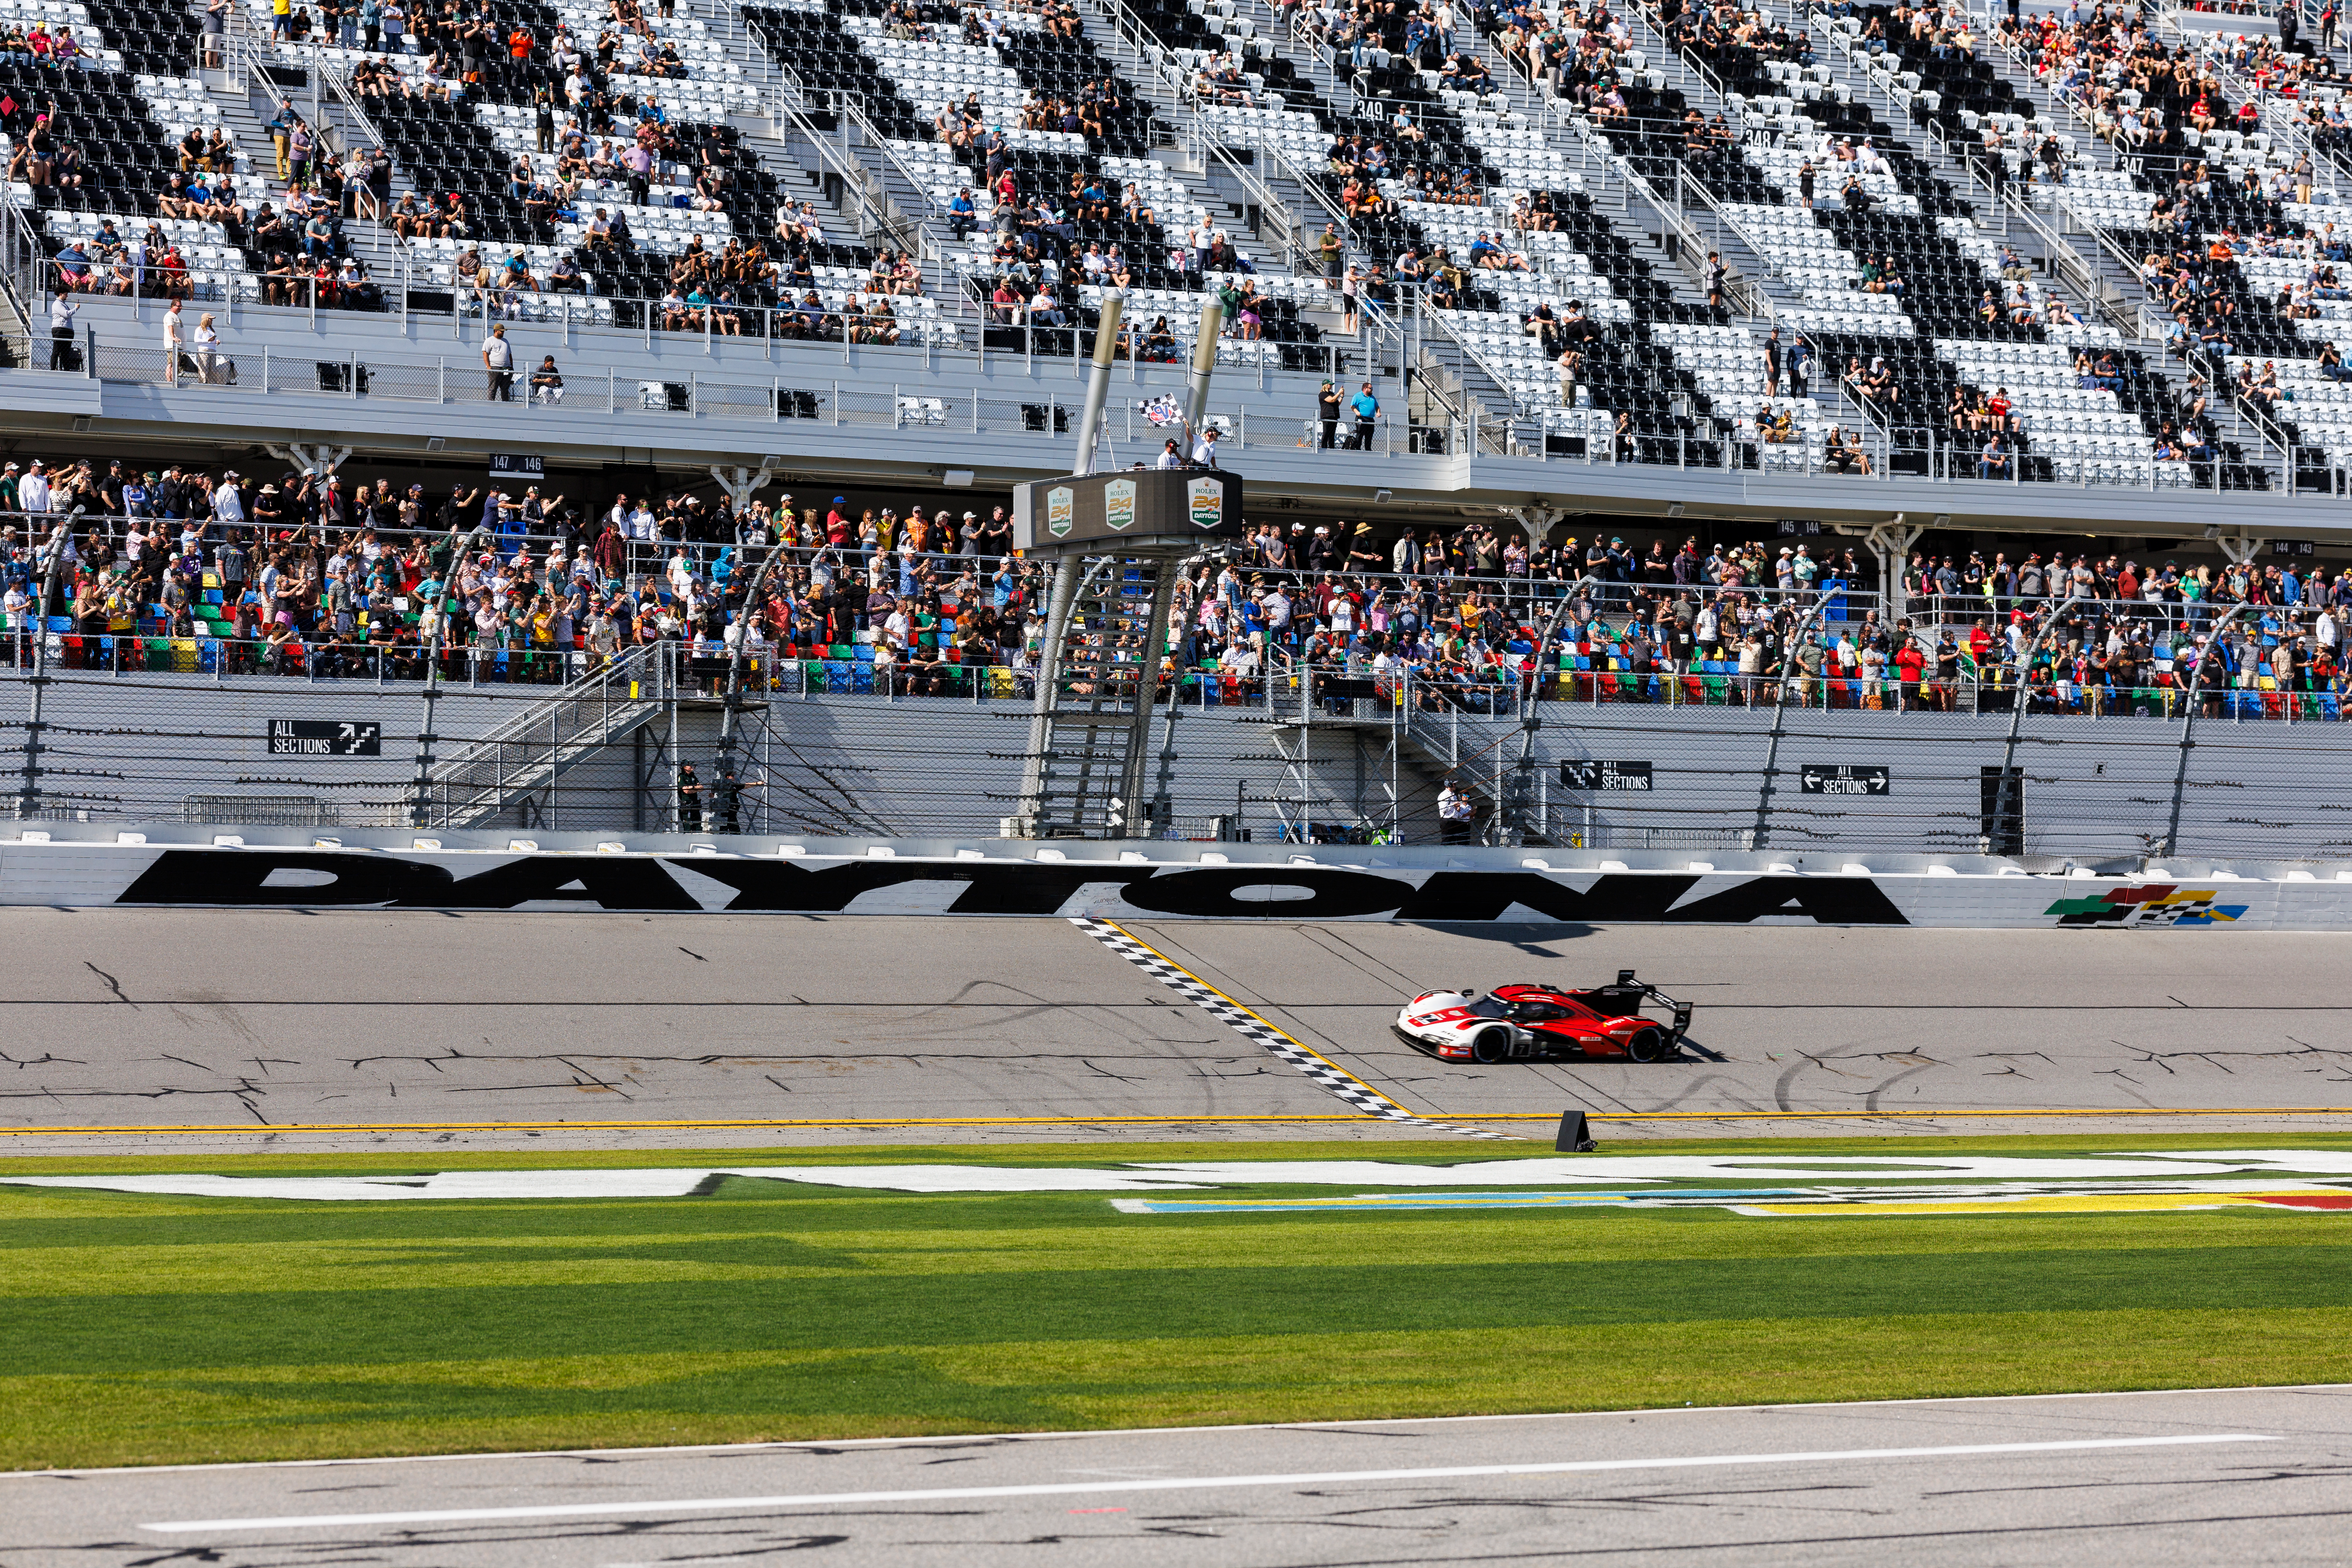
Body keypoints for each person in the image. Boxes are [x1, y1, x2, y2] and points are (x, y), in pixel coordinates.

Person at [483, 323, 515, 401]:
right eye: (502, 331)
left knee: (505, 388)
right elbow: (485, 353)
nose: (503, 333)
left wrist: (511, 366)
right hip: (495, 368)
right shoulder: (489, 341)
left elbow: (509, 354)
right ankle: (491, 404)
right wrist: (489, 366)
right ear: (496, 331)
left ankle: (506, 404)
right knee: (493, 387)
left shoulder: (506, 341)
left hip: (506, 368)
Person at [1437, 778, 1475, 844]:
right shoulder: (1444, 795)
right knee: (1447, 841)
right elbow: (1443, 809)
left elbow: (1454, 808)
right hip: (1447, 820)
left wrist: (1457, 809)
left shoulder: (1454, 795)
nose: (1455, 785)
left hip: (1454, 821)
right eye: (1454, 784)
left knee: (1453, 842)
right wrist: (1454, 805)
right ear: (1450, 785)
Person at [1349, 381, 1379, 449]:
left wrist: (1378, 412)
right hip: (1361, 418)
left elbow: (1377, 406)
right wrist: (1356, 411)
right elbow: (1352, 406)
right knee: (1360, 434)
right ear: (1365, 389)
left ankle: (1368, 449)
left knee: (1369, 435)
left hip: (1370, 419)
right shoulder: (1358, 396)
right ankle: (1357, 448)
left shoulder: (1372, 398)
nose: (1372, 390)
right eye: (1371, 388)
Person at [675, 760, 702, 831]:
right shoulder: (682, 777)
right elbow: (686, 791)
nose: (692, 766)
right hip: (687, 804)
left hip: (695, 804)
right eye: (690, 765)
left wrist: (691, 788)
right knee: (688, 828)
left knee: (698, 826)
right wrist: (695, 788)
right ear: (685, 767)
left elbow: (702, 788)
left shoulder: (693, 776)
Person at [1316, 380, 1341, 449]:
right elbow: (1332, 400)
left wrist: (1341, 396)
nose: (1332, 386)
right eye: (1330, 384)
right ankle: (1324, 447)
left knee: (1332, 434)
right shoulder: (1323, 394)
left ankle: (1332, 448)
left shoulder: (1332, 394)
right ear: (1326, 385)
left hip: (1334, 416)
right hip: (1327, 416)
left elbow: (1337, 404)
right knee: (1326, 433)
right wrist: (1339, 393)